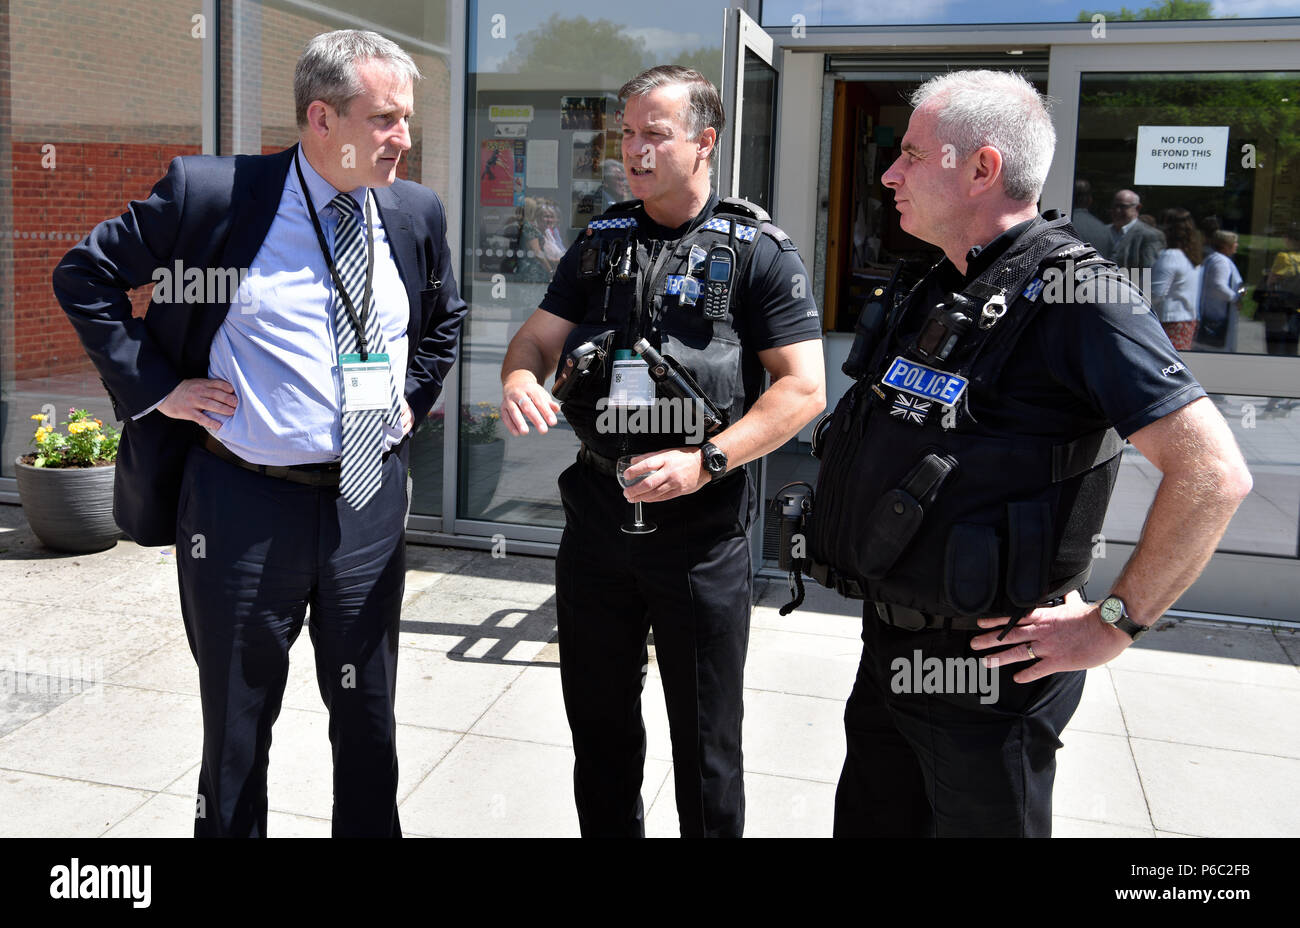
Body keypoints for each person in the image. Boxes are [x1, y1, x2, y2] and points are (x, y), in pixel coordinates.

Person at [806, 70, 1251, 837]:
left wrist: (1114, 622)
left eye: (912, 154)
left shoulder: (1081, 296)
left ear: (980, 168)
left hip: (991, 677)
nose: (889, 173)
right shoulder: (937, 286)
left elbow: (1213, 473)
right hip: (891, 651)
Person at [52, 30, 467, 837]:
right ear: (321, 117)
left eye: (405, 119)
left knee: (368, 723)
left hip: (366, 502)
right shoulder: (213, 195)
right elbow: (85, 275)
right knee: (237, 731)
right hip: (241, 508)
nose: (404, 139)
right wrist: (158, 389)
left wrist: (414, 396)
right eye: (383, 119)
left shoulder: (415, 211)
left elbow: (443, 315)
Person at [499, 65, 825, 837]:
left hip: (701, 533)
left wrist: (705, 461)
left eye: (655, 134)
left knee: (707, 741)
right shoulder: (601, 238)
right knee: (600, 731)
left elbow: (802, 390)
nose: (633, 152)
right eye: (627, 135)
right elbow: (538, 339)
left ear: (705, 142)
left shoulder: (758, 250)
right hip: (597, 524)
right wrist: (519, 377)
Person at [1151, 207, 1204, 350]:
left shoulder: (1170, 256)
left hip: (1169, 322)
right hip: (1187, 320)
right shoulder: (1191, 257)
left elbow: (1155, 294)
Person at [1197, 229, 1244, 351]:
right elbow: (1218, 285)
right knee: (1216, 350)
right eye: (1234, 242)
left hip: (1215, 313)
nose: (1237, 245)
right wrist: (1235, 298)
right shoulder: (1220, 261)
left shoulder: (1214, 258)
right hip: (1217, 317)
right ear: (1225, 246)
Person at [1105, 188, 1164, 285]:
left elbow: (1148, 274)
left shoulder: (1149, 236)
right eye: (1115, 206)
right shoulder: (1103, 231)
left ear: (1138, 208)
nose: (1117, 211)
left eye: (1123, 207)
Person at [1261, 225, 1300, 356]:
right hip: (1296, 308)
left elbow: (1271, 281)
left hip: (1280, 309)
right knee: (1292, 348)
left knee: (1275, 349)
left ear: (1288, 238)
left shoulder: (1284, 257)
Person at [1069, 179, 1109, 251]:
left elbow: (1068, 258)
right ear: (1090, 200)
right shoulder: (1104, 229)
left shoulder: (1062, 225)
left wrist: (1069, 263)